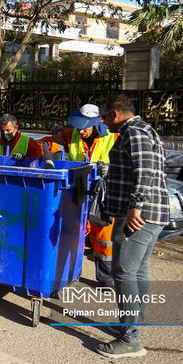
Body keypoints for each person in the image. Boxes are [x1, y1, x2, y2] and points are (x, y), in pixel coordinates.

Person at [96, 94, 169, 359]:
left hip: (139, 215)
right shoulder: (144, 129)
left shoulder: (133, 132)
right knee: (138, 271)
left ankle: (131, 340)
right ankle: (132, 325)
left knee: (124, 272)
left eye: (104, 117)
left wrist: (136, 206)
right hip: (151, 213)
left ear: (114, 114)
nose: (103, 122)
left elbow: (145, 170)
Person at [39, 104, 119, 287]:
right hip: (80, 187)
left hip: (105, 191)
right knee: (77, 233)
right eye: (78, 126)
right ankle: (72, 275)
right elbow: (45, 142)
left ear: (97, 123)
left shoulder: (114, 135)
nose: (81, 130)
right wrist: (48, 159)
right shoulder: (70, 135)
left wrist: (111, 169)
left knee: (105, 236)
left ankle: (107, 280)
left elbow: (129, 161)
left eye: (85, 127)